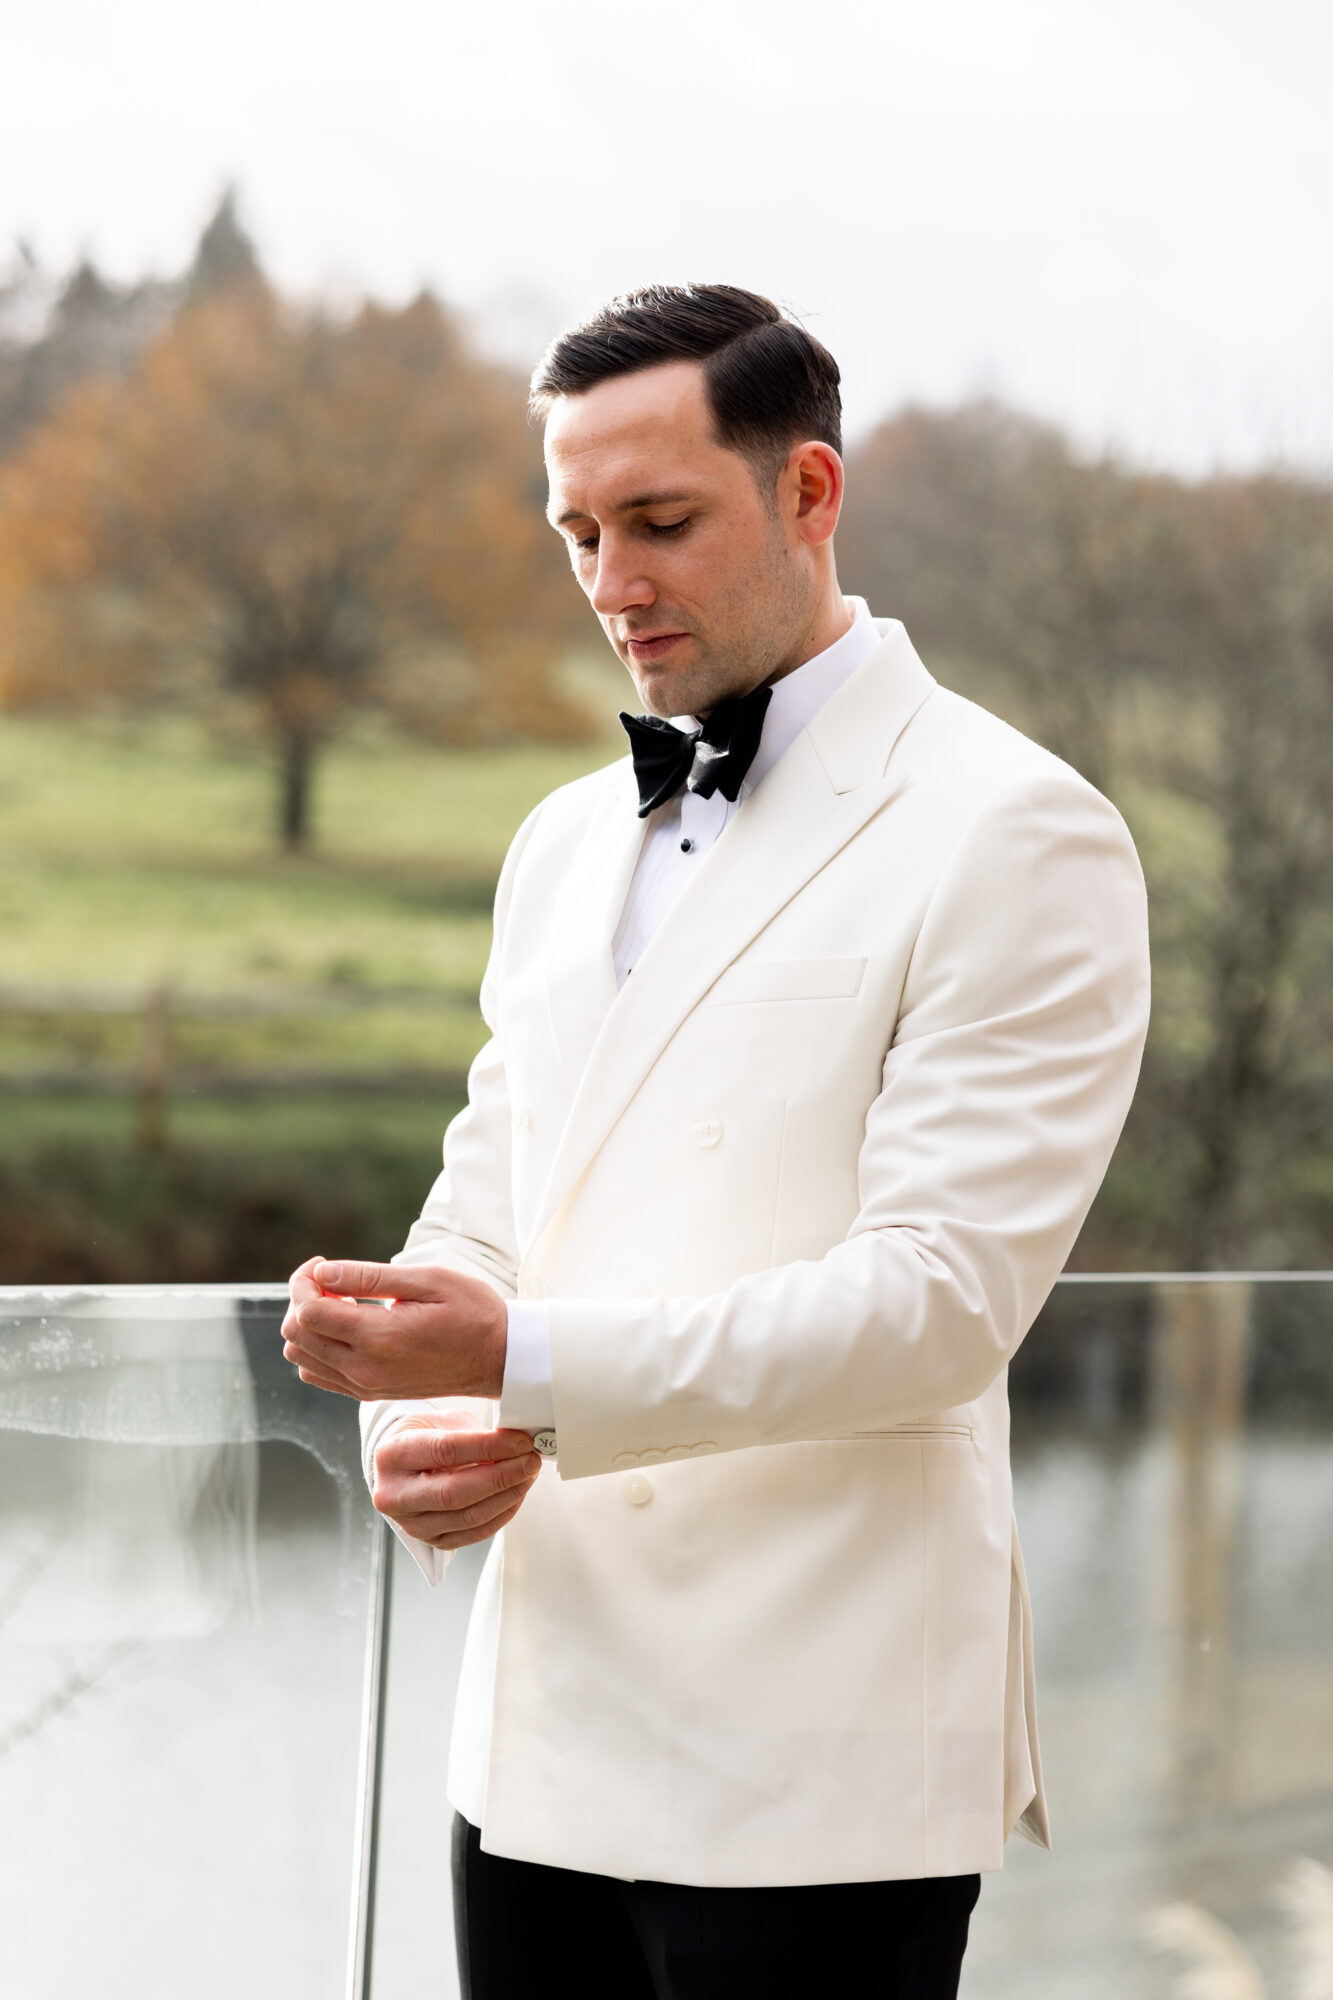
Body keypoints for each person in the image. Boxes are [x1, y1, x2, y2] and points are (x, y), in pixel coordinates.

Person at [281, 284, 1151, 1998]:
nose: (611, 584)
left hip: (817, 1760)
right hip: (532, 1739)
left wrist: (520, 1354)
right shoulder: (557, 839)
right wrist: (438, 1397)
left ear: (809, 494)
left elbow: (933, 1306)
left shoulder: (1018, 829)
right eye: (578, 531)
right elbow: (492, 1200)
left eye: (660, 523)